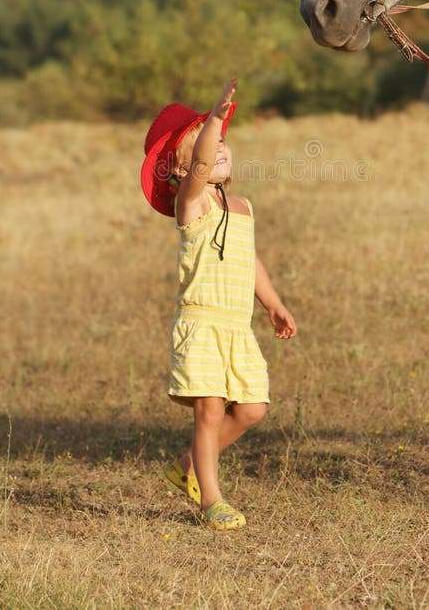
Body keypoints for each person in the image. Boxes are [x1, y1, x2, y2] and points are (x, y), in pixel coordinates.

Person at [141, 78, 297, 531]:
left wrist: (273, 303)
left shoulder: (242, 206)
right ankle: (212, 500)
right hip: (202, 322)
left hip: (236, 326)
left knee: (251, 409)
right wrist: (211, 119)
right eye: (209, 145)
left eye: (225, 141)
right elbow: (201, 166)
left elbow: (249, 261)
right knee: (209, 410)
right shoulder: (190, 204)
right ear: (180, 169)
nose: (221, 149)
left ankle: (190, 463)